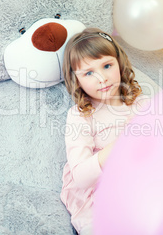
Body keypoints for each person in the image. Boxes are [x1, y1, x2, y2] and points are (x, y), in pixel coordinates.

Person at [60, 28, 143, 234]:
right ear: (76, 80)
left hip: (141, 182)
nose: (102, 78)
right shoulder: (81, 116)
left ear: (119, 63)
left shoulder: (141, 104)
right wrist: (123, 141)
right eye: (89, 73)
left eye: (107, 65)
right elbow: (81, 177)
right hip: (100, 192)